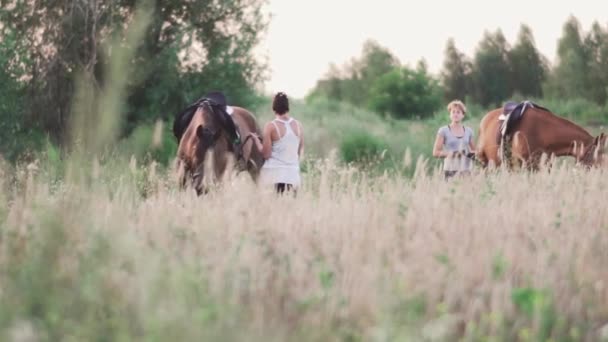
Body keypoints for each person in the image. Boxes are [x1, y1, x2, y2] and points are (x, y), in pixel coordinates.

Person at [250, 92, 304, 194]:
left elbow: (266, 154)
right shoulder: (298, 125)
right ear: (287, 107)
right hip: (293, 176)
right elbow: (300, 151)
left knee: (273, 208)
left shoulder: (271, 126)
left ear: (273, 107)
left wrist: (256, 140)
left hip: (274, 176)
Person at [432, 100, 476, 180]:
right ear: (450, 115)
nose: (455, 114)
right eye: (453, 112)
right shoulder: (443, 130)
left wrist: (468, 154)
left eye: (458, 112)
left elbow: (475, 152)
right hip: (450, 169)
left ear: (463, 115)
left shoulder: (469, 131)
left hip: (466, 170)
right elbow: (435, 152)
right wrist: (454, 154)